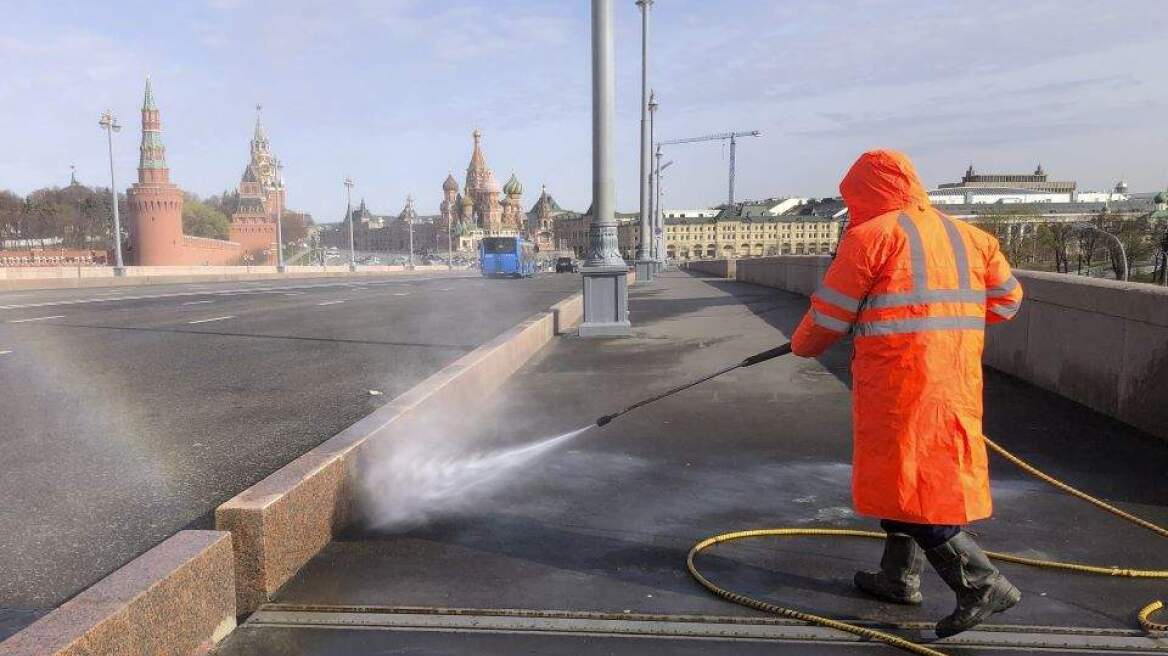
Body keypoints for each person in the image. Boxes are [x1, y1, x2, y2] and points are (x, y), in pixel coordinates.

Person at [790, 150, 1025, 637]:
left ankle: (982, 584)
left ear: (862, 191)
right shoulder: (973, 237)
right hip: (955, 377)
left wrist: (802, 344)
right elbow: (1007, 302)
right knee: (916, 479)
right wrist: (945, 324)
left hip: (900, 382)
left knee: (912, 484)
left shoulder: (871, 237)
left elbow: (830, 316)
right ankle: (898, 578)